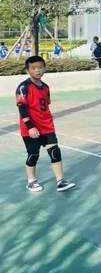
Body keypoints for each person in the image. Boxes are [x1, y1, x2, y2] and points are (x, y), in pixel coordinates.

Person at [16, 56, 76, 192]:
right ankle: (31, 181)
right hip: (30, 128)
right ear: (27, 70)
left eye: (40, 67)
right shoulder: (23, 87)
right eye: (33, 68)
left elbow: (45, 106)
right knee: (33, 155)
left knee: (55, 152)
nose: (37, 70)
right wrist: (30, 127)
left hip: (47, 126)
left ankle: (60, 181)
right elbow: (22, 108)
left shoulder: (45, 87)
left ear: (44, 68)